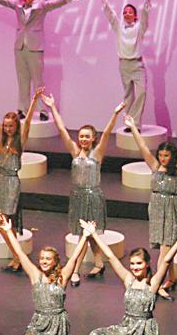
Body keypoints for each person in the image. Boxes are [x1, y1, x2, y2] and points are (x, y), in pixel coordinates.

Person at [41, 92, 125, 284]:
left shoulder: (98, 153)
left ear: (93, 138)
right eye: (81, 136)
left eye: (87, 137)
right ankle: (99, 263)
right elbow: (62, 129)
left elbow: (107, 133)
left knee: (83, 236)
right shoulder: (75, 151)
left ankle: (75, 270)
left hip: (93, 197)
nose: (84, 139)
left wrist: (115, 114)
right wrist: (52, 107)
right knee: (89, 234)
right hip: (77, 197)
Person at [0, 0, 81, 119]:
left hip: (35, 48)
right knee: (22, 80)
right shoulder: (18, 4)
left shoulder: (42, 6)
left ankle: (42, 111)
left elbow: (56, 3)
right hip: (20, 48)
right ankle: (22, 110)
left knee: (38, 82)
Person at [0, 215, 90, 335]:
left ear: (55, 261)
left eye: (48, 259)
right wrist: (8, 231)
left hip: (57, 321)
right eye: (41, 258)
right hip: (40, 320)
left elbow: (75, 257)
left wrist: (85, 235)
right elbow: (20, 253)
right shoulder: (36, 275)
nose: (44, 261)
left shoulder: (62, 276)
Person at [0, 78, 42, 272]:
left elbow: (28, 121)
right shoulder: (2, 139)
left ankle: (18, 258)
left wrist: (34, 101)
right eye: (5, 125)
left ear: (16, 126)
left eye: (10, 125)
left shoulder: (20, 141)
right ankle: (16, 256)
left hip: (11, 182)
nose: (7, 128)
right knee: (0, 222)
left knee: (6, 222)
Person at [124, 114, 177, 300]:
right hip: (155, 207)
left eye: (166, 155)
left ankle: (159, 284)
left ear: (172, 156)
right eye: (161, 155)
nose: (163, 158)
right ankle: (172, 277)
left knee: (166, 247)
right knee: (164, 246)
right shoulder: (154, 166)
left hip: (171, 208)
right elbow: (143, 147)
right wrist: (133, 127)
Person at [92, 0, 152, 129]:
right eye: (125, 12)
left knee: (142, 92)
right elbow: (110, 14)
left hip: (137, 64)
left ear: (135, 15)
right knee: (128, 95)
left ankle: (135, 123)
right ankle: (129, 123)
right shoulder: (119, 27)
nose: (127, 14)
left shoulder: (139, 28)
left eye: (130, 12)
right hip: (124, 64)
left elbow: (145, 15)